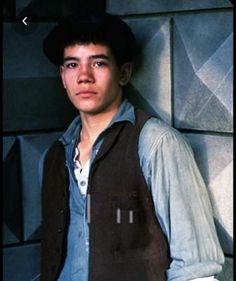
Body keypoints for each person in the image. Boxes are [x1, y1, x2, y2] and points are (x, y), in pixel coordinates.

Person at [41, 11, 224, 281]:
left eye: (99, 63)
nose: (83, 77)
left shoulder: (156, 143)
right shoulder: (55, 155)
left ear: (124, 73)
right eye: (72, 65)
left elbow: (197, 270)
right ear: (62, 76)